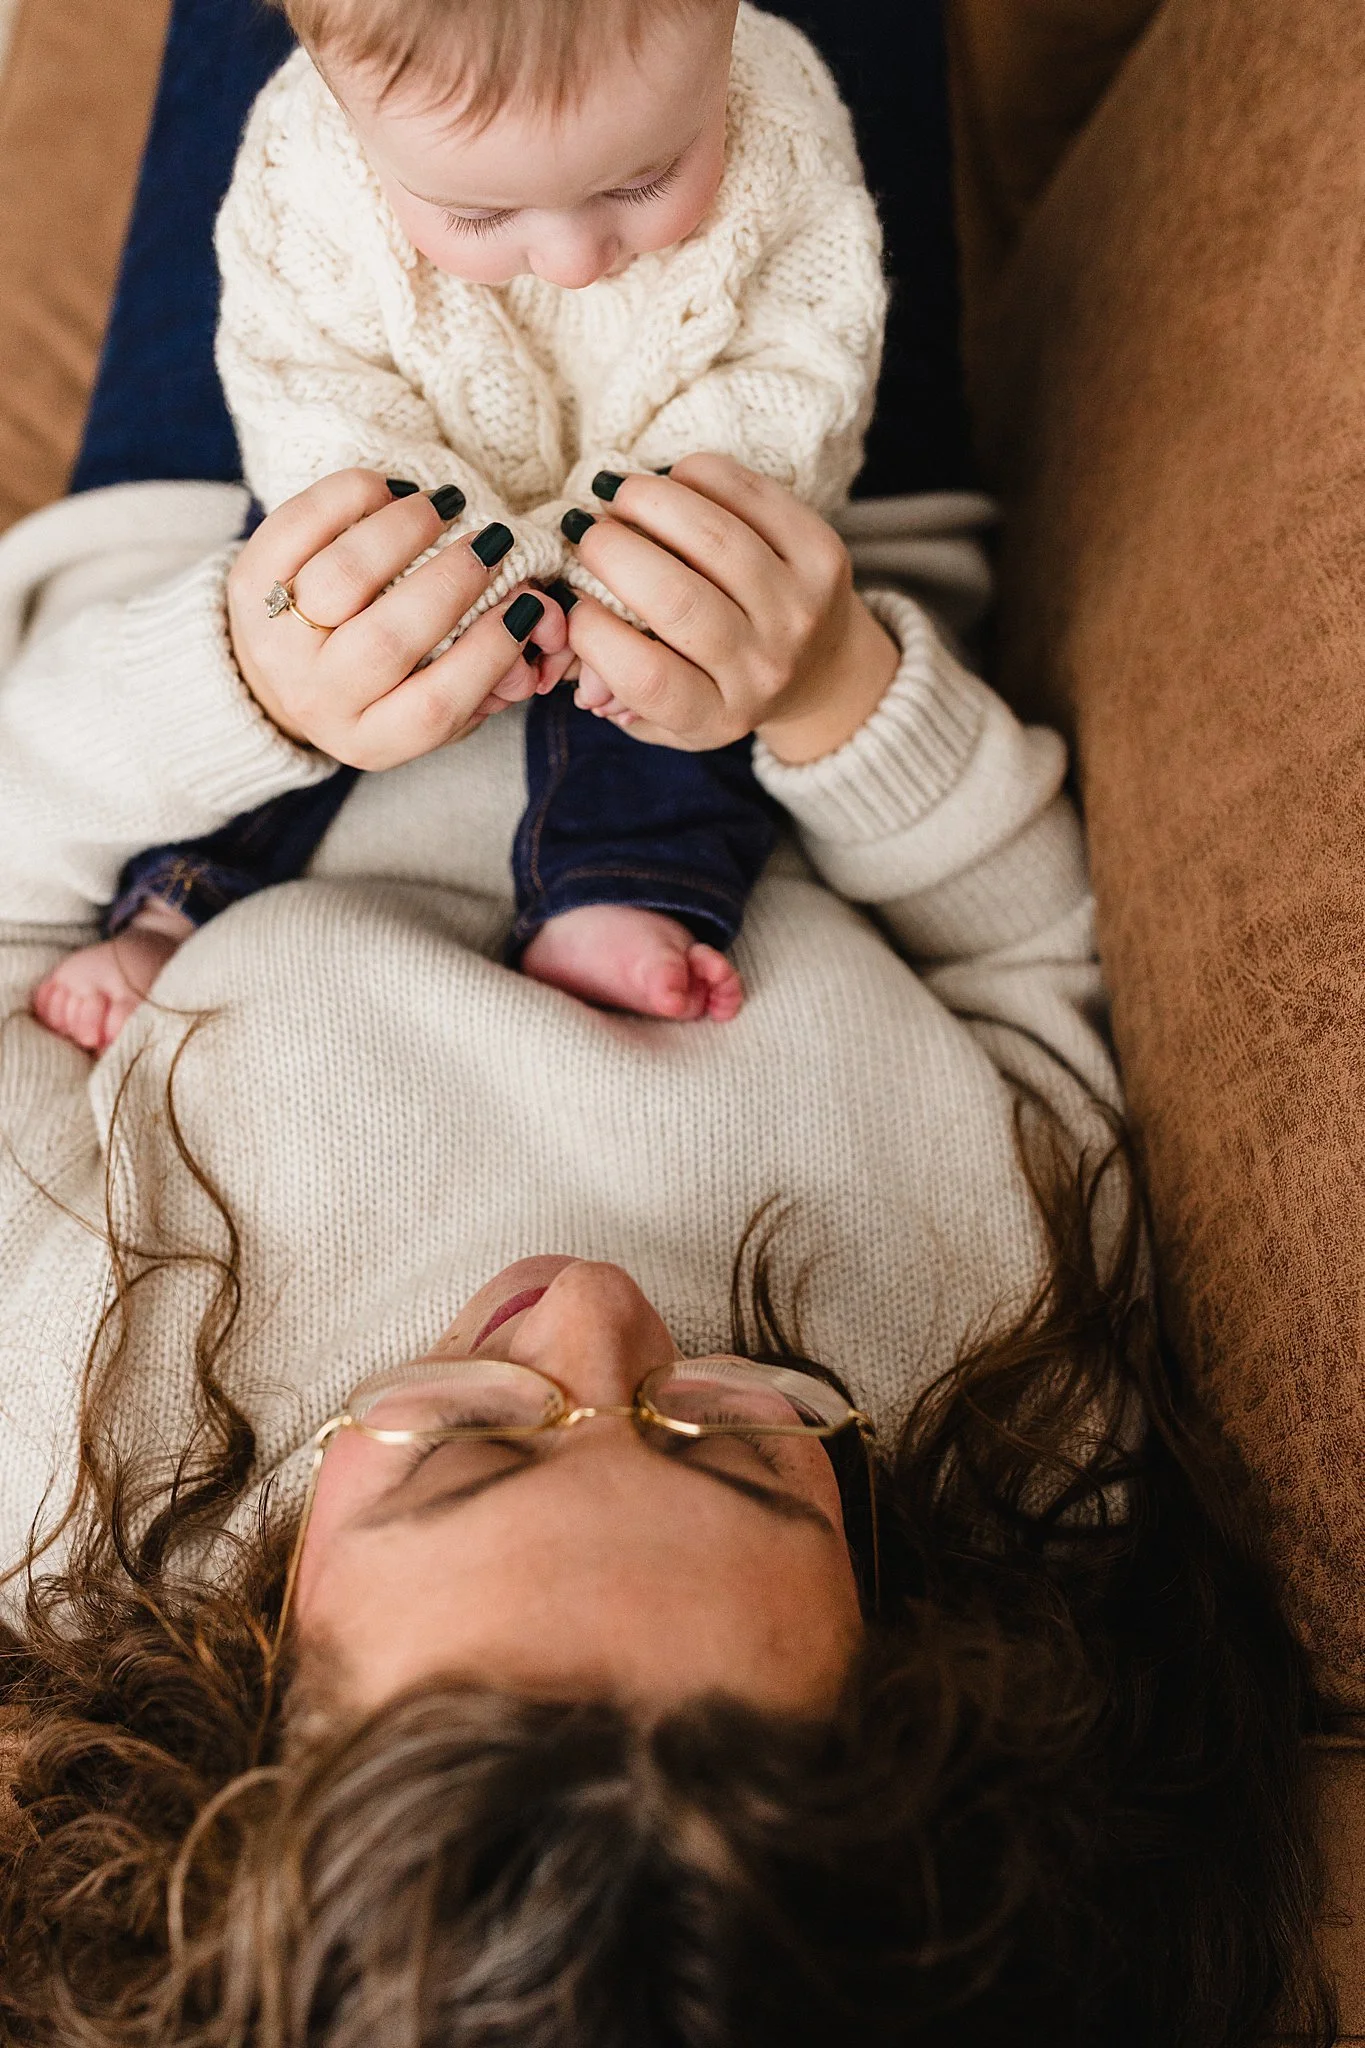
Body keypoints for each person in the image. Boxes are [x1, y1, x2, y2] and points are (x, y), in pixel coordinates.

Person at [0, 456, 1329, 2042]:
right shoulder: (1016, 1446)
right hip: (794, 507)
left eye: (466, 1447)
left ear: (250, 1688)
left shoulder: (67, 1475)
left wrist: (231, 672)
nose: (596, 1312)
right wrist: (838, 689)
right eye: (739, 1447)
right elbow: (1024, 954)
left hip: (243, 525)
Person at [32, 0, 888, 1046]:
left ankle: (624, 884)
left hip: (676, 488)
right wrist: (452, 570)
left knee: (699, 652)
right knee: (306, 637)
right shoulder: (305, 155)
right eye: (480, 216)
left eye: (642, 179)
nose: (574, 256)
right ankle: (179, 896)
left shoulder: (778, 113)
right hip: (407, 489)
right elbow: (305, 383)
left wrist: (619, 568)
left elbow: (800, 362)